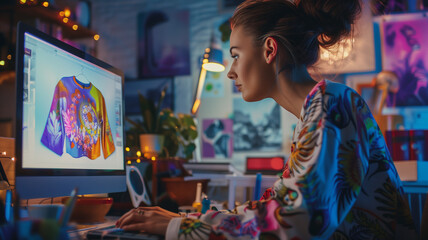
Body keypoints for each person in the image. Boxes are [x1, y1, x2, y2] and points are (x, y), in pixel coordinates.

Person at [116, 0, 419, 239]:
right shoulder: (319, 109)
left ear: (269, 49)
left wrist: (179, 229)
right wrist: (187, 221)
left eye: (236, 55)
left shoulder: (330, 104)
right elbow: (278, 204)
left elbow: (293, 224)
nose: (231, 71)